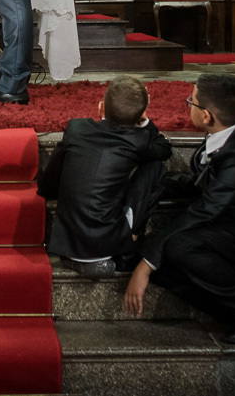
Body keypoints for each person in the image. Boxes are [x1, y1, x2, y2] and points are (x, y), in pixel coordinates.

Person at [123, 73, 235, 344]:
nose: (188, 105)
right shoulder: (229, 133)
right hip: (233, 223)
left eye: (192, 102)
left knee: (178, 248)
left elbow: (205, 209)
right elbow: (205, 183)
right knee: (164, 260)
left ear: (207, 116)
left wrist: (145, 265)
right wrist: (157, 183)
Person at [37, 76, 172, 277]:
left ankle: (88, 257)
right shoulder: (138, 141)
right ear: (141, 113)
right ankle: (132, 237)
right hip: (109, 239)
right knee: (154, 168)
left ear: (101, 107)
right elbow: (164, 148)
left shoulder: (77, 128)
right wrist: (144, 120)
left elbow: (50, 181)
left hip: (70, 238)